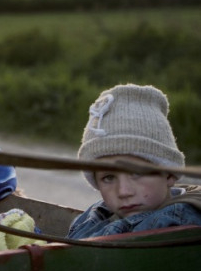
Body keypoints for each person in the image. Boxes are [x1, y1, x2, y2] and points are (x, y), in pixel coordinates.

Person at [67, 84, 201, 239]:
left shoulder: (175, 223)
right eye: (108, 177)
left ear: (169, 174)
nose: (123, 192)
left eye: (137, 173)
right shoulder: (97, 214)